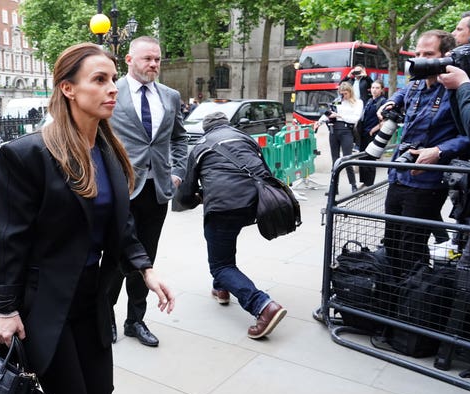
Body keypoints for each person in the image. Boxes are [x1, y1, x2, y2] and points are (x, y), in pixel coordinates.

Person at [0, 42, 175, 394]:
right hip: (46, 302)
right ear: (68, 89)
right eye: (100, 80)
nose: (113, 89)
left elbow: (120, 224)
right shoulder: (27, 155)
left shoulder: (108, 151)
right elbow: (10, 239)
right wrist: (6, 310)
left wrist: (145, 269)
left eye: (112, 79)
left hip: (93, 297)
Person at [105, 36, 188, 347]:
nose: (153, 64)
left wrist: (178, 173)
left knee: (146, 258)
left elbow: (180, 139)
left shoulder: (171, 96)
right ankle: (105, 318)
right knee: (114, 258)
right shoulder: (111, 92)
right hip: (121, 189)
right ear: (129, 59)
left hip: (157, 191)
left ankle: (135, 321)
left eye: (157, 59)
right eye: (147, 59)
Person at [176, 112, 287, 338]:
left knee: (220, 265)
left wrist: (196, 198)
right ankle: (221, 288)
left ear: (207, 129)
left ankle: (262, 306)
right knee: (224, 247)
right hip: (256, 205)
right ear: (227, 124)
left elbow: (185, 194)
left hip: (223, 208)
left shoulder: (201, 146)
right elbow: (264, 171)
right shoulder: (245, 138)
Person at [378, 30, 470, 276]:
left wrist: (439, 151)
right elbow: (402, 93)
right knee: (392, 242)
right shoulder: (415, 84)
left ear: (444, 57)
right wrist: (391, 102)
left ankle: (415, 304)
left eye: (428, 54)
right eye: (417, 53)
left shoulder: (455, 88)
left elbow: (468, 136)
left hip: (427, 181)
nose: (419, 59)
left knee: (412, 248)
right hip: (398, 176)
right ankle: (393, 299)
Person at [314, 81, 363, 193]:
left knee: (347, 158)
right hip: (334, 130)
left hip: (346, 131)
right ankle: (334, 187)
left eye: (345, 93)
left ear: (350, 92)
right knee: (335, 160)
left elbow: (355, 118)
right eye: (341, 93)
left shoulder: (357, 103)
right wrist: (319, 122)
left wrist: (339, 115)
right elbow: (328, 114)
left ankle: (353, 185)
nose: (343, 96)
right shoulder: (337, 102)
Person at [358, 79, 387, 187]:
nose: (374, 90)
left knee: (370, 158)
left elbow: (385, 120)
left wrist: (373, 129)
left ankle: (369, 184)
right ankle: (363, 181)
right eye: (373, 88)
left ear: (382, 90)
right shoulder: (369, 101)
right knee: (362, 158)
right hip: (363, 133)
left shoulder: (383, 102)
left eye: (377, 88)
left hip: (373, 134)